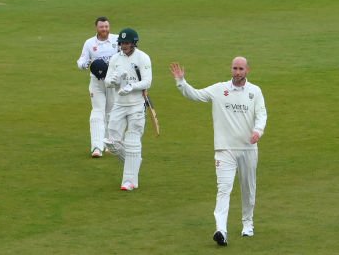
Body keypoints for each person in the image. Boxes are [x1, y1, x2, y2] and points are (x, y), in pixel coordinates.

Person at [170, 57, 267, 247]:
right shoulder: (219, 89)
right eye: (234, 68)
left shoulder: (255, 91)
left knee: (248, 188)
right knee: (223, 189)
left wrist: (258, 131)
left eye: (241, 69)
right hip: (225, 149)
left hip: (248, 148)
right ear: (231, 69)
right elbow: (195, 95)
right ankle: (221, 230)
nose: (237, 72)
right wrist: (181, 82)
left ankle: (248, 223)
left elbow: (261, 114)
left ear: (247, 70)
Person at [103, 27, 152, 191]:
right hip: (119, 105)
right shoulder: (115, 59)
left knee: (132, 142)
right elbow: (107, 82)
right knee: (111, 143)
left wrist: (132, 87)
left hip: (136, 105)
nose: (124, 45)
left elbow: (147, 82)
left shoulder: (143, 58)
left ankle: (129, 181)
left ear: (134, 43)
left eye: (127, 43)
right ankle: (135, 160)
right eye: (122, 42)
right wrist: (114, 81)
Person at [76, 16, 120, 157]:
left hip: (113, 82)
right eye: (102, 27)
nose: (104, 29)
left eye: (106, 26)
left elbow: (126, 54)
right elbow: (82, 59)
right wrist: (84, 64)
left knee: (112, 112)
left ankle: (110, 143)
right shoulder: (89, 43)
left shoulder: (116, 39)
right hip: (97, 82)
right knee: (97, 111)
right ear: (97, 28)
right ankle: (96, 147)